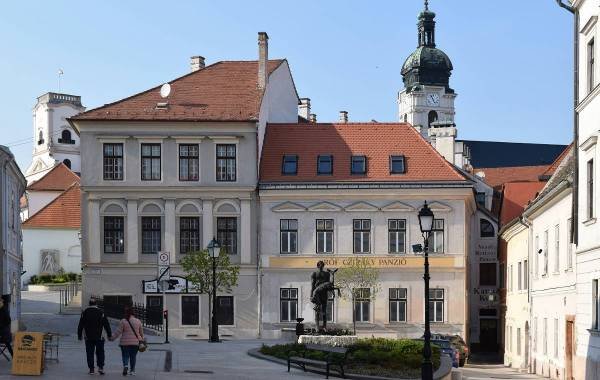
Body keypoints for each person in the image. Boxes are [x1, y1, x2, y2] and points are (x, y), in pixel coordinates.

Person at [78, 298, 111, 375]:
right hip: (100, 336)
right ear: (96, 304)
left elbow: (80, 325)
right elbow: (106, 325)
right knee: (100, 352)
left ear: (89, 304)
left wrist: (79, 335)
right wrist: (109, 335)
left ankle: (91, 369)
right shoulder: (101, 312)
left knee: (90, 353)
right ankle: (100, 368)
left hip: (88, 337)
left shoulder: (84, 313)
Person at [110, 307, 144, 376]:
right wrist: (142, 340)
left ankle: (125, 366)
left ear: (126, 313)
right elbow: (141, 333)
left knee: (125, 355)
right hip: (135, 343)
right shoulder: (138, 321)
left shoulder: (123, 321)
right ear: (133, 313)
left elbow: (118, 332)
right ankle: (132, 371)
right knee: (133, 356)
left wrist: (112, 338)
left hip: (124, 343)